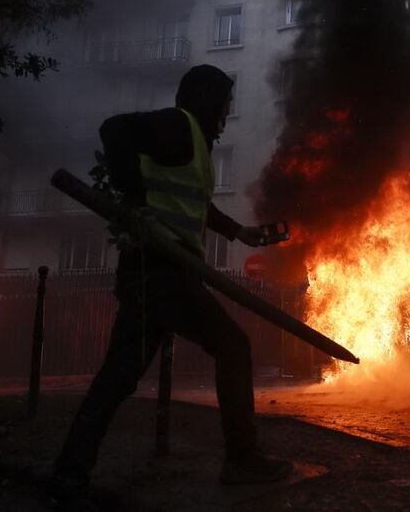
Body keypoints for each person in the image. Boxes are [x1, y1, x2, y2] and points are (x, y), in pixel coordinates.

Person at [50, 65, 291, 508]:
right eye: (224, 107)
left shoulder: (192, 146)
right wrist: (136, 204)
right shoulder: (179, 126)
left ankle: (69, 474)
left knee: (119, 377)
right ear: (207, 102)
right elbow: (115, 129)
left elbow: (196, 206)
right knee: (233, 347)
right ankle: (241, 459)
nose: (225, 117)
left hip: (154, 271)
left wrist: (240, 233)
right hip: (162, 271)